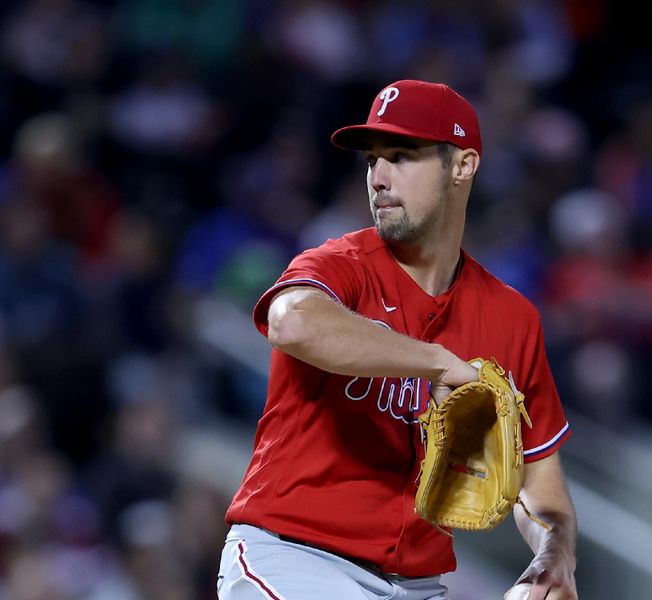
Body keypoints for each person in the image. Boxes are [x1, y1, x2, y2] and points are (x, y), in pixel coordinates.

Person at [217, 80, 578, 600]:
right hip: (294, 559)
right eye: (372, 161)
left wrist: (553, 556)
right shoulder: (340, 267)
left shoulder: (511, 318)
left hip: (417, 585)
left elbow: (539, 485)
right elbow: (291, 322)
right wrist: (434, 362)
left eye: (402, 156)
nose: (379, 178)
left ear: (463, 166)